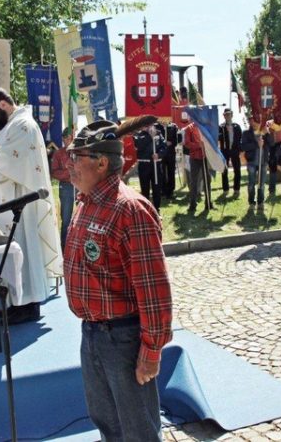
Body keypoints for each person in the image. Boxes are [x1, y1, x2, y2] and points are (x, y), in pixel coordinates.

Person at [63, 119, 172, 442]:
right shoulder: (86, 203)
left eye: (76, 157)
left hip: (123, 338)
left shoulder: (130, 210)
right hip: (93, 333)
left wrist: (151, 351)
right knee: (107, 423)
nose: (69, 166)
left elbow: (154, 290)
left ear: (101, 162)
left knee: (137, 430)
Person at [0, 87, 63, 324]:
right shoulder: (10, 126)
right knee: (14, 253)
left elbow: (9, 162)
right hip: (10, 203)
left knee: (23, 250)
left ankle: (28, 305)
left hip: (21, 204)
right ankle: (16, 301)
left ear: (3, 104)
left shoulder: (23, 126)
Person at [133, 124, 167, 213]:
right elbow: (139, 145)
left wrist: (159, 154)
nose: (149, 127)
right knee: (145, 188)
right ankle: (145, 210)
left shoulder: (158, 134)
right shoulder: (139, 135)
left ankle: (156, 209)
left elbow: (164, 147)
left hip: (156, 165)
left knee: (157, 187)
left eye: (151, 124)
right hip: (144, 165)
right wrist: (150, 136)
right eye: (147, 125)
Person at [50, 127, 75, 246]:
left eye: (69, 139)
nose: (66, 141)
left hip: (81, 186)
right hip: (66, 187)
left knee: (82, 217)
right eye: (64, 139)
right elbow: (54, 172)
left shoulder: (79, 152)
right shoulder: (58, 153)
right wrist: (69, 173)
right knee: (66, 220)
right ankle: (64, 247)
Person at [241, 125, 271, 211]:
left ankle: (260, 203)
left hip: (263, 162)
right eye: (252, 119)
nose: (254, 121)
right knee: (251, 184)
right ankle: (251, 203)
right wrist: (256, 144)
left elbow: (272, 143)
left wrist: (267, 133)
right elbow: (243, 147)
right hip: (251, 162)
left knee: (261, 184)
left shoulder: (264, 131)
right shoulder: (246, 133)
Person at [182, 120, 207, 213]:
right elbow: (187, 144)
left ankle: (208, 203)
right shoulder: (189, 128)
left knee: (207, 180)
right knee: (193, 181)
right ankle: (193, 204)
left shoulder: (205, 126)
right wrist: (198, 145)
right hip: (194, 158)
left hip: (205, 157)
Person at [219, 108, 242, 194]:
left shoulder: (237, 126)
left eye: (229, 114)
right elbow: (218, 137)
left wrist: (239, 148)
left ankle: (237, 189)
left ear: (232, 115)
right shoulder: (221, 127)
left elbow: (240, 138)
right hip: (225, 151)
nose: (227, 116)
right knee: (224, 170)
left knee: (237, 170)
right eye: (226, 114)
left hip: (235, 150)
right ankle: (225, 189)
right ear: (224, 116)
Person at [161, 120, 180, 199]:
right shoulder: (157, 127)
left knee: (171, 172)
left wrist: (171, 142)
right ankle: (163, 191)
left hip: (171, 153)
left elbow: (178, 139)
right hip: (161, 153)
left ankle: (170, 191)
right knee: (162, 172)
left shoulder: (174, 126)